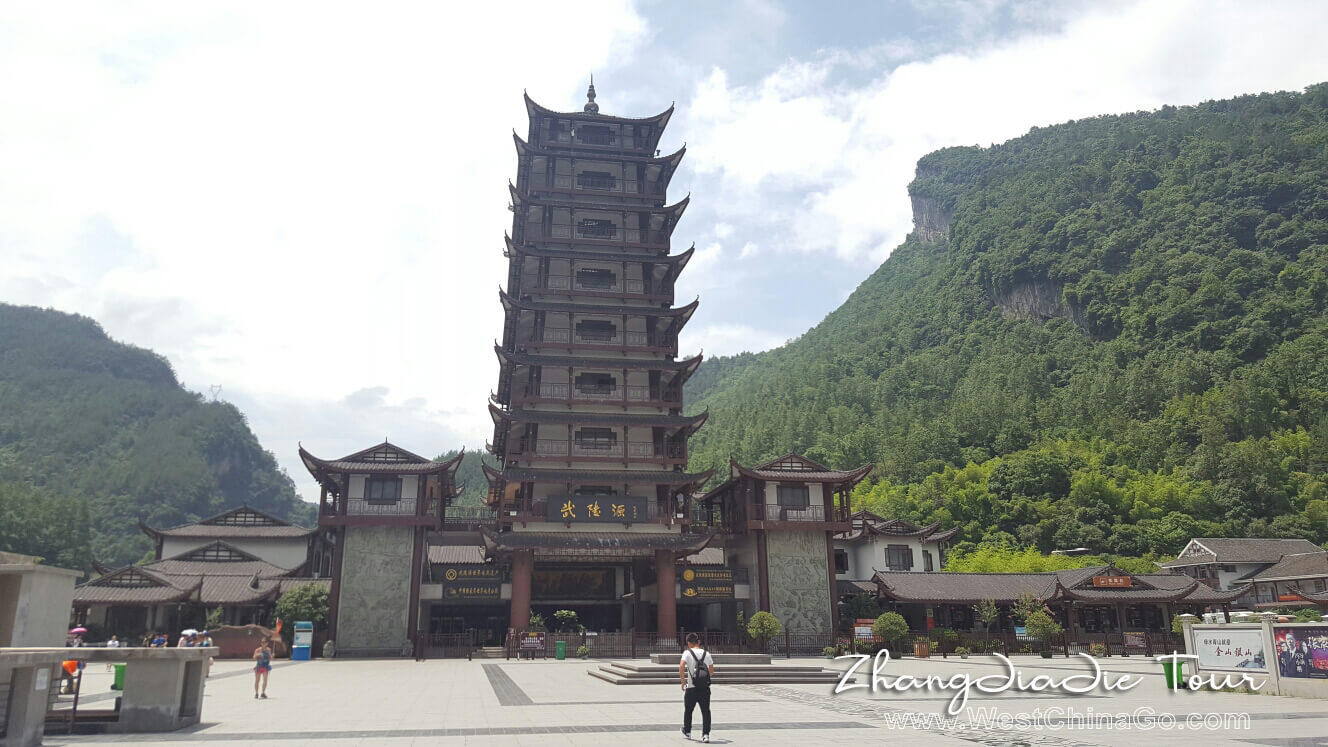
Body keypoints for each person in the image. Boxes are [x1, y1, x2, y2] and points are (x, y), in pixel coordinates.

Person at [678, 633, 715, 742]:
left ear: (688, 643)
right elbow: (711, 670)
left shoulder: (687, 653)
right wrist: (703, 677)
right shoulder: (706, 653)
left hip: (691, 687)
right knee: (705, 711)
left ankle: (687, 731)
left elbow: (681, 666)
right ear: (698, 642)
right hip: (704, 688)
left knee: (688, 710)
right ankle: (706, 734)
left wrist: (683, 681)